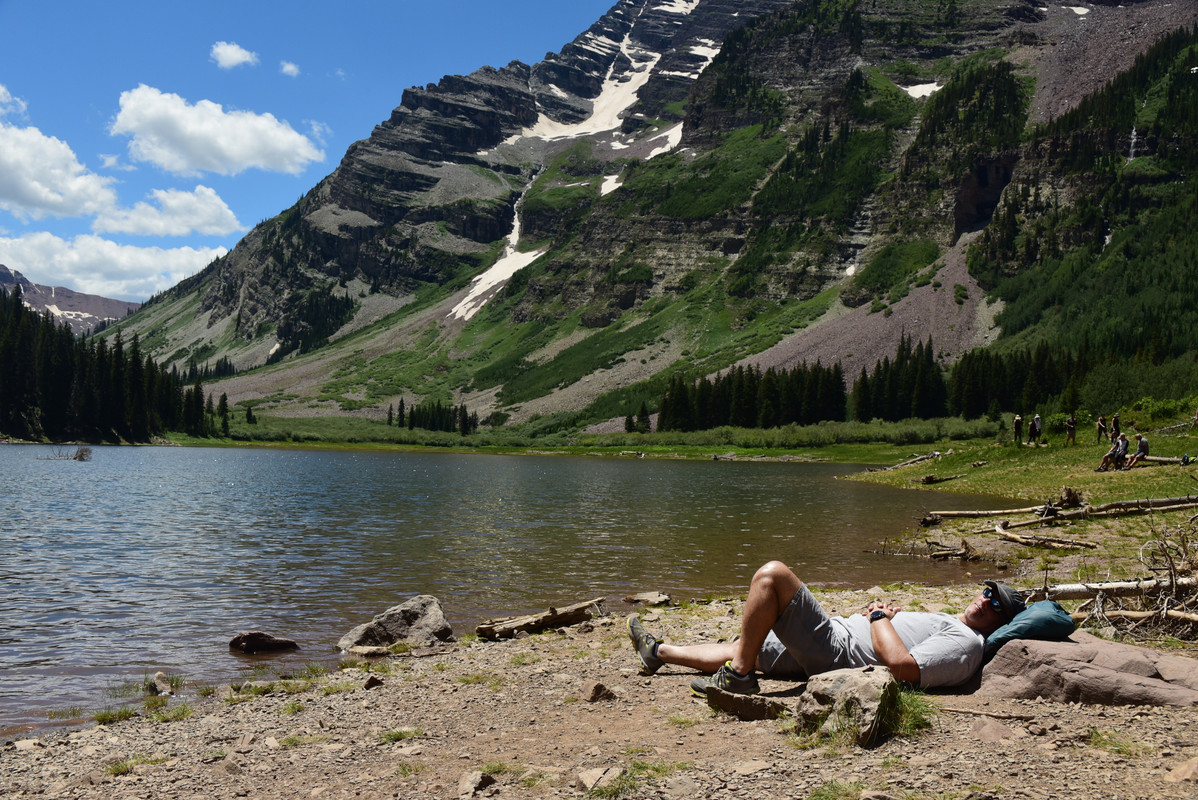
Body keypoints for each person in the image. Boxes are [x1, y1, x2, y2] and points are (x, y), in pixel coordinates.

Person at [627, 561, 1026, 695]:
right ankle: (659, 653)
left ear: (1001, 622)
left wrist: (875, 618)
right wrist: (881, 617)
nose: (986, 599)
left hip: (837, 653)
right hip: (831, 644)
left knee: (772, 576)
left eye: (996, 604)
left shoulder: (968, 643)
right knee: (747, 643)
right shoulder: (949, 622)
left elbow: (905, 669)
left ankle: (739, 679)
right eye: (988, 590)